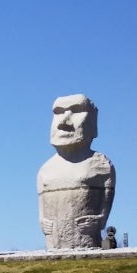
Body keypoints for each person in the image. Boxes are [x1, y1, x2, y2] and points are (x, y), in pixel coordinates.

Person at [37, 94, 115, 249]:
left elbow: (106, 203)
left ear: (93, 122)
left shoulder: (101, 164)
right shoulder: (45, 169)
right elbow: (41, 208)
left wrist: (100, 220)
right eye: (58, 112)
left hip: (86, 240)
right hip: (53, 242)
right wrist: (42, 222)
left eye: (77, 110)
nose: (63, 122)